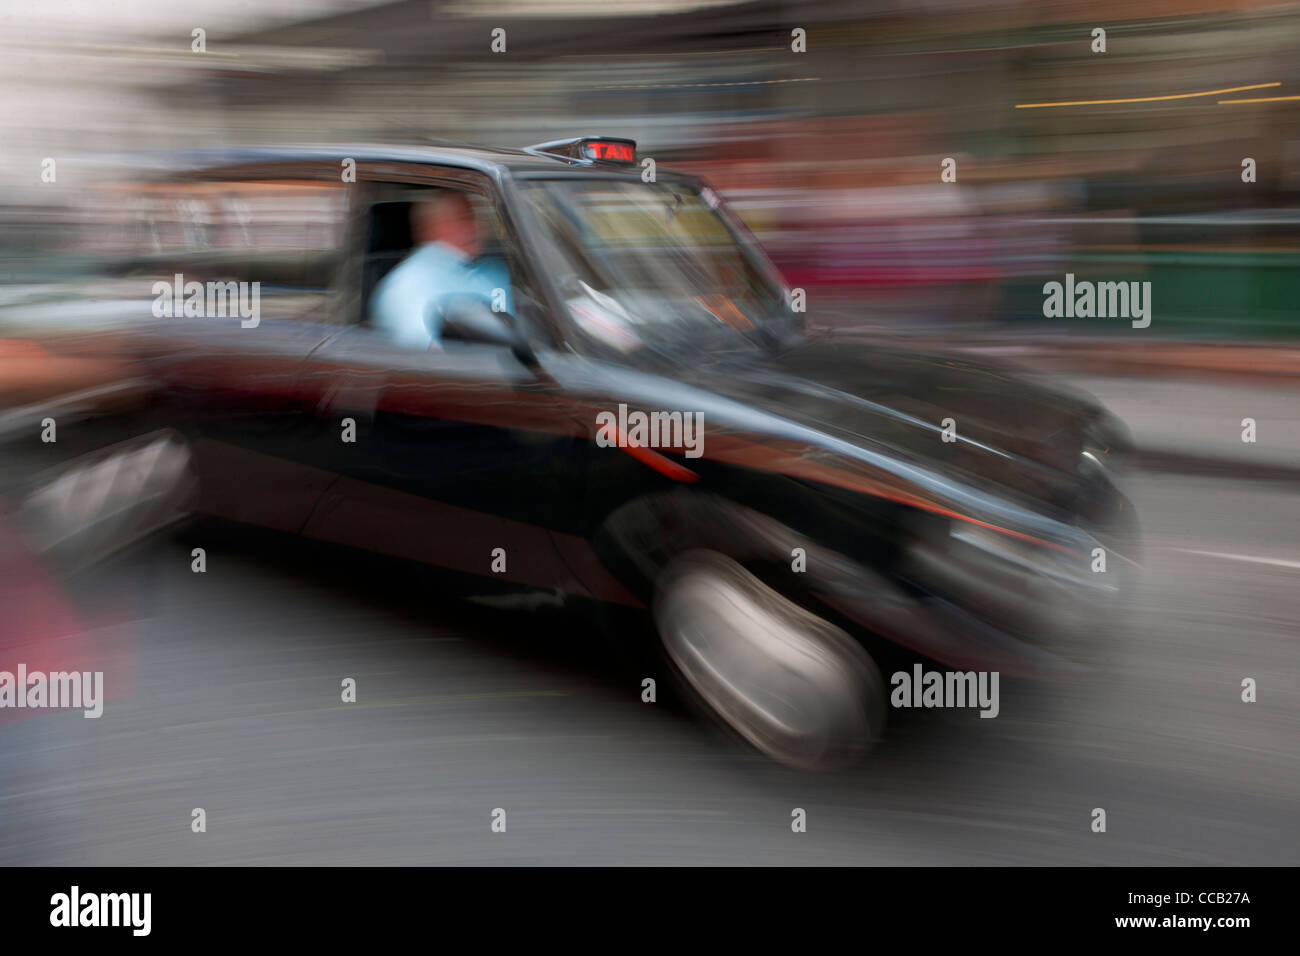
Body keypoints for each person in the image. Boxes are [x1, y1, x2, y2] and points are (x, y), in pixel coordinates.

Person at [369, 190, 513, 350]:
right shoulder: (406, 286)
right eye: (464, 218)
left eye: (475, 218)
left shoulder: (494, 270)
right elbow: (433, 356)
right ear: (431, 228)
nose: (476, 227)